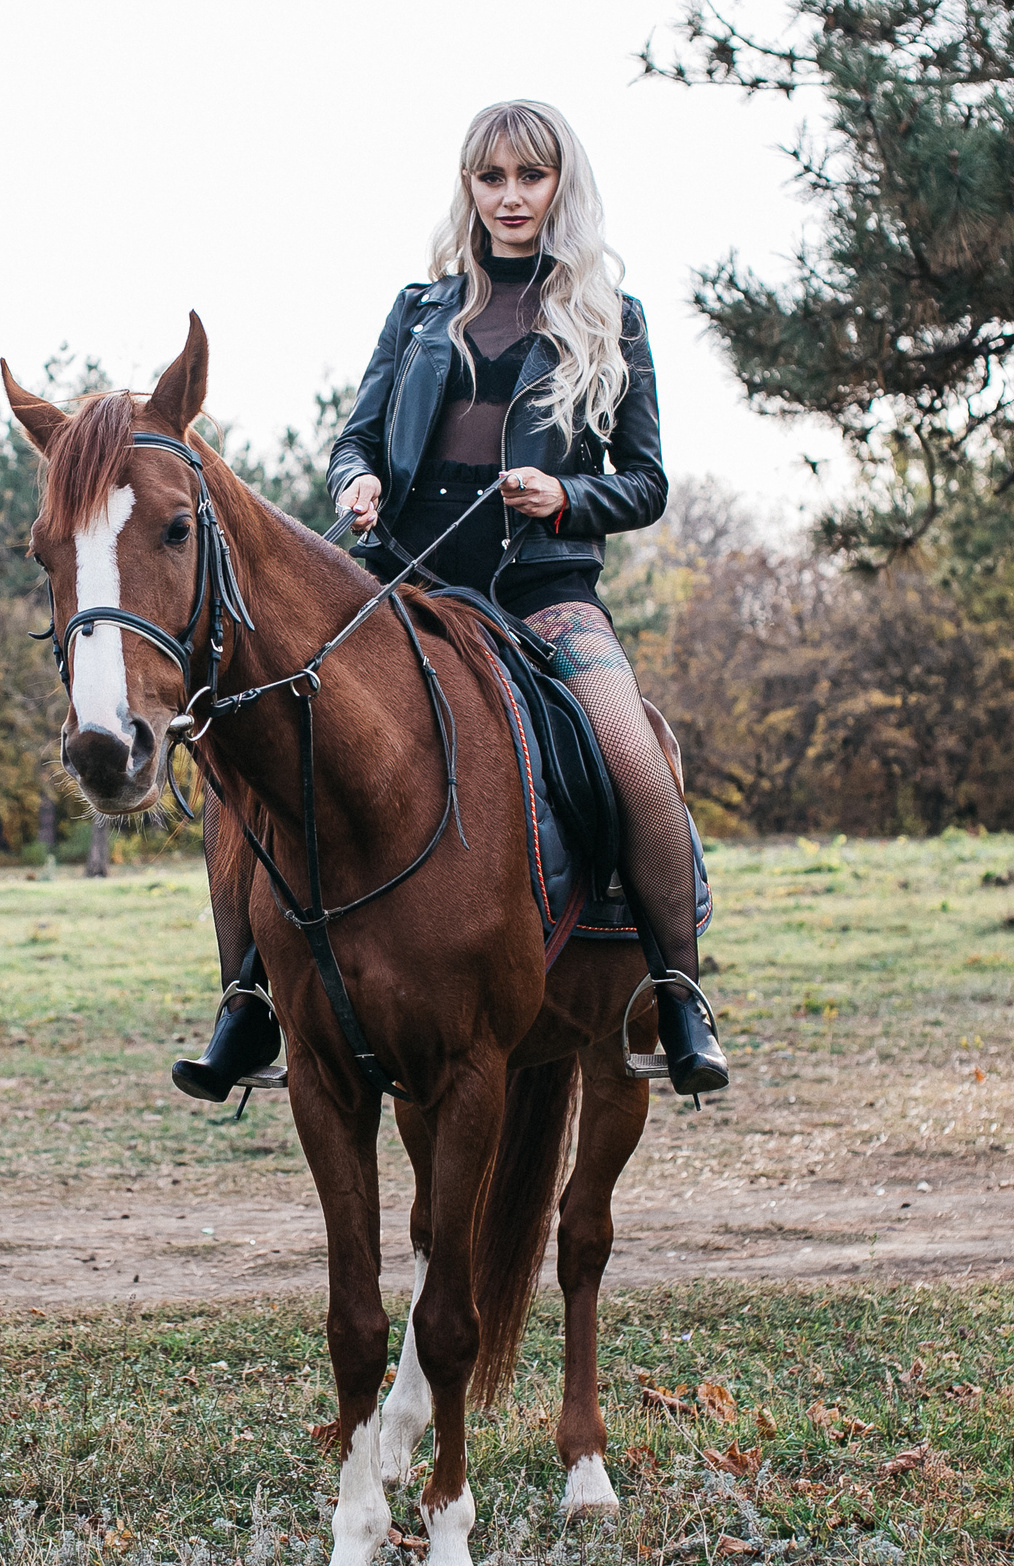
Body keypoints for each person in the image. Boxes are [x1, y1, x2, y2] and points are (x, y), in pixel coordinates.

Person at [174, 98, 728, 1101]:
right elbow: (357, 433)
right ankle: (248, 1002)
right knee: (243, 759)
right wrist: (355, 482)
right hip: (402, 596)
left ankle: (677, 991)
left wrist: (566, 496)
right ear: (468, 189)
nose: (510, 197)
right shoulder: (419, 309)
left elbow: (645, 483)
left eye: (530, 176)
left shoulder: (612, 317)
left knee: (635, 759)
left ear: (561, 186)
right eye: (491, 178)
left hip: (542, 597)